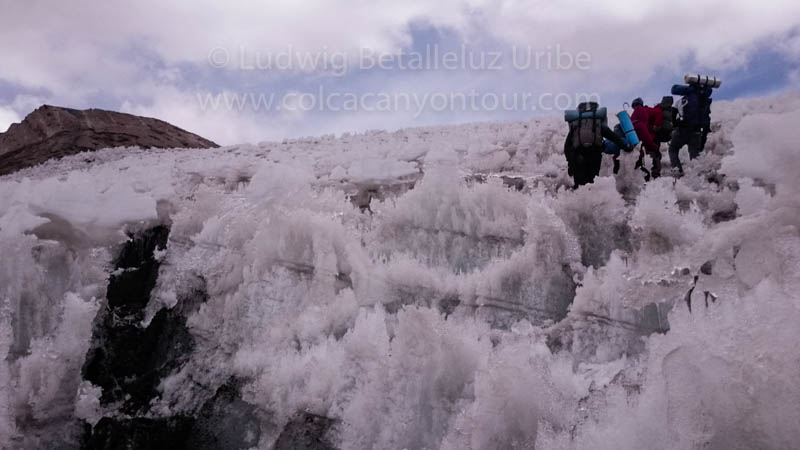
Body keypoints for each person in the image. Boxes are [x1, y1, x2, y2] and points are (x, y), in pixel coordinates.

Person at [565, 102, 631, 188]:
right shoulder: (598, 123)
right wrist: (625, 146)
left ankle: (578, 198)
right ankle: (591, 199)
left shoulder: (576, 125)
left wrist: (570, 163)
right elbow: (613, 137)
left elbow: (567, 146)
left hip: (579, 155)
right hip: (595, 154)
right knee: (592, 181)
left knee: (579, 183)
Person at [669, 85, 712, 175]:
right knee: (694, 156)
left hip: (682, 131)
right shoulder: (703, 102)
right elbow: (706, 122)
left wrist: (677, 124)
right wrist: (703, 141)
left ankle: (677, 171)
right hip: (696, 132)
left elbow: (673, 119)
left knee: (673, 149)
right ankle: (697, 176)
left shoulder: (679, 101)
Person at [630, 97, 662, 180]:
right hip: (647, 136)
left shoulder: (641, 111)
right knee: (655, 152)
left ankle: (648, 174)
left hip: (648, 136)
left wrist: (656, 125)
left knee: (651, 152)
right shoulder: (642, 112)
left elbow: (658, 112)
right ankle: (655, 173)